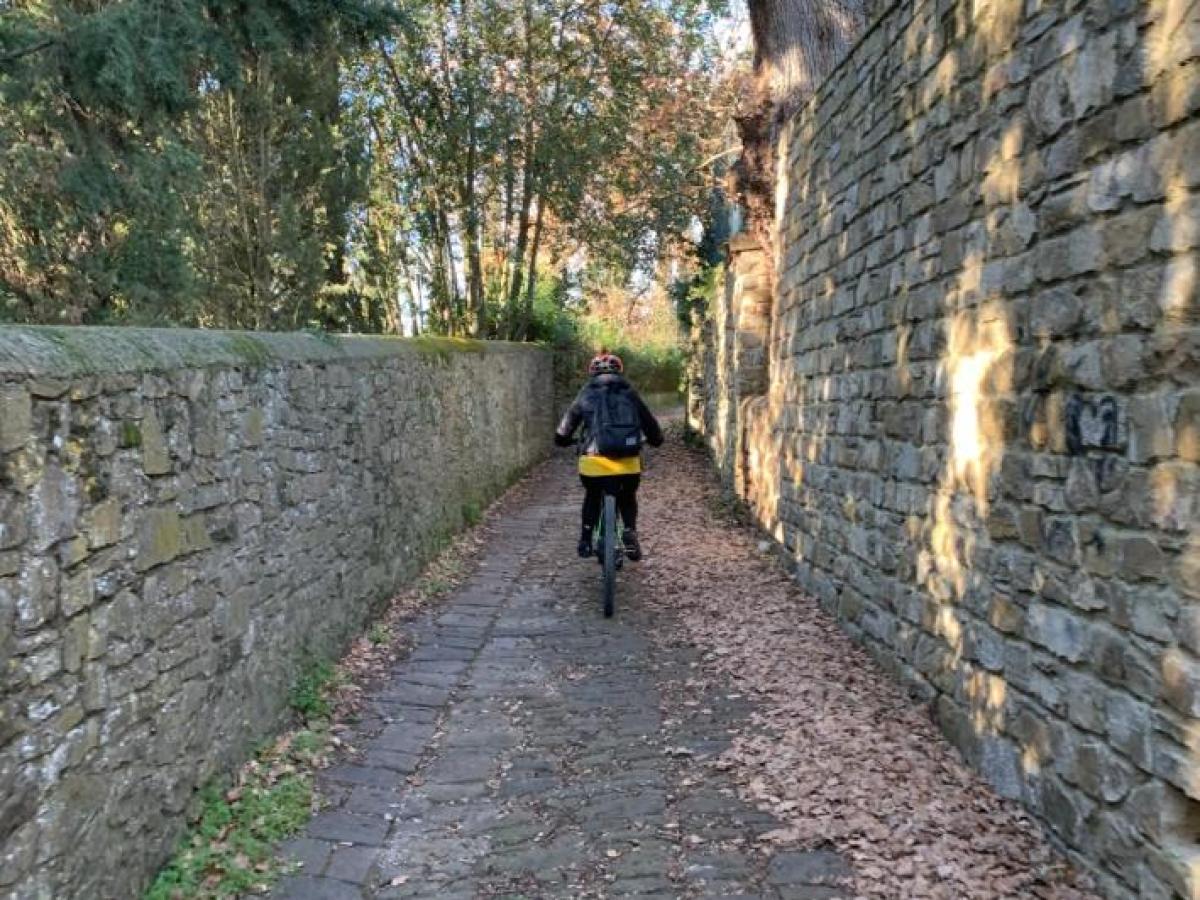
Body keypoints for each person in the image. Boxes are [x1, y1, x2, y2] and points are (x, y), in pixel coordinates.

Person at [555, 352, 664, 561]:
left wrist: (563, 440)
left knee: (593, 495)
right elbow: (651, 426)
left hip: (593, 462)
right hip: (628, 463)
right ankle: (630, 530)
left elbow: (565, 428)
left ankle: (585, 539)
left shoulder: (586, 393)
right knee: (627, 495)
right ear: (620, 371)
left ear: (591, 373)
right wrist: (655, 440)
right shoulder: (630, 393)